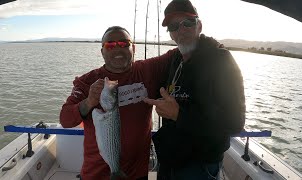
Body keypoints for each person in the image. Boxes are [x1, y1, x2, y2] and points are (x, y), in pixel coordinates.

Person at [143, 0, 246, 179]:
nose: (181, 30)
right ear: (171, 34)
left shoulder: (221, 60)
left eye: (188, 23)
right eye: (174, 26)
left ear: (199, 25)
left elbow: (234, 123)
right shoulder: (176, 58)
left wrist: (178, 115)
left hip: (199, 167)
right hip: (170, 161)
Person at [59, 26, 176, 180]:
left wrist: (213, 47)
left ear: (133, 48)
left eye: (124, 44)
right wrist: (88, 102)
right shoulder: (87, 81)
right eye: (110, 45)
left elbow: (178, 52)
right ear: (102, 51)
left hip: (137, 173)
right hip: (96, 175)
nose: (117, 49)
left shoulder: (148, 70)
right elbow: (65, 119)